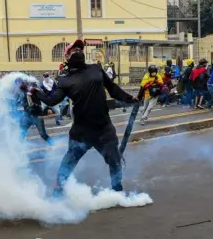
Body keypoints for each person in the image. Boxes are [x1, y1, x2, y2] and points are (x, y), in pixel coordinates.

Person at [31, 39, 137, 195]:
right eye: (73, 50)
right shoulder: (64, 80)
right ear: (66, 58)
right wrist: (36, 92)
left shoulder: (96, 69)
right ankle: (58, 190)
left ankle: (117, 190)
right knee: (69, 162)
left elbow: (113, 88)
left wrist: (129, 98)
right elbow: (52, 100)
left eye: (80, 49)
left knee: (114, 160)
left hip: (104, 129)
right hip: (81, 132)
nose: (78, 51)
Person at [13, 78, 52, 144]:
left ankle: (53, 144)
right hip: (27, 115)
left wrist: (48, 108)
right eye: (17, 84)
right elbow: (16, 103)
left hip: (37, 115)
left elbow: (43, 96)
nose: (19, 85)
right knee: (21, 133)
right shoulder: (19, 93)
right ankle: (17, 150)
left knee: (43, 135)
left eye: (20, 82)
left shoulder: (32, 87)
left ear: (23, 82)